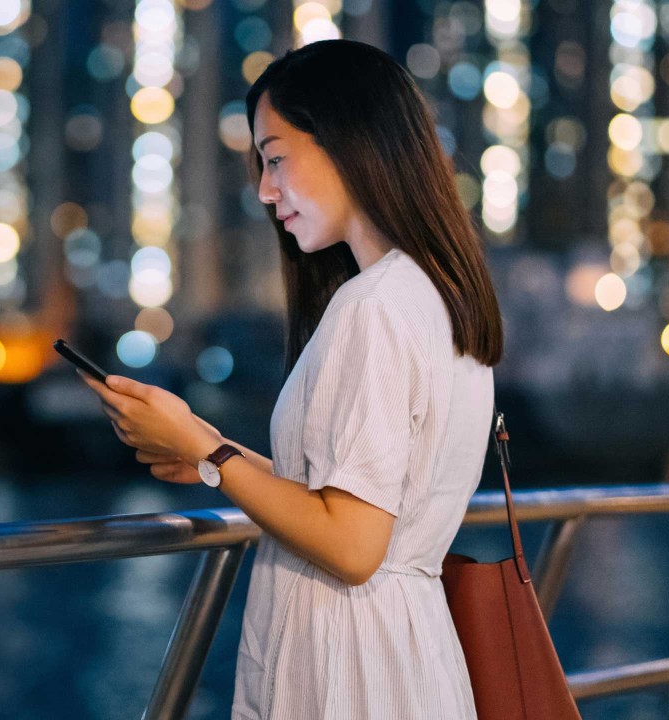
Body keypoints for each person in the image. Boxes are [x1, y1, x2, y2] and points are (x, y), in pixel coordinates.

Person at [78, 39, 504, 719]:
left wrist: (206, 453)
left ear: (351, 142)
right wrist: (213, 452)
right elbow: (360, 493)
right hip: (407, 657)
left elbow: (353, 544)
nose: (265, 189)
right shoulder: (432, 293)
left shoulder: (375, 305)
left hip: (350, 673)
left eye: (275, 159)